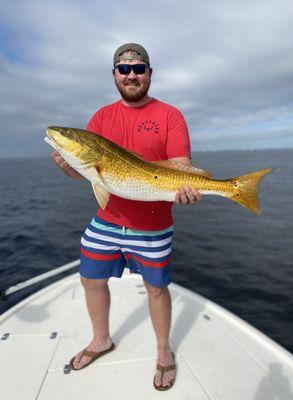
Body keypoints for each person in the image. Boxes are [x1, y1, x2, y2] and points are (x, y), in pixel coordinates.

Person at [51, 43, 202, 391]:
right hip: (107, 219)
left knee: (156, 289)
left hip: (153, 225)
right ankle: (101, 339)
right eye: (124, 69)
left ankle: (164, 352)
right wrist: (68, 167)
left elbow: (180, 168)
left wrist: (187, 188)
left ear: (149, 73)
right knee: (90, 278)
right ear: (115, 75)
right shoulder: (101, 118)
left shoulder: (170, 115)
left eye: (138, 68)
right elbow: (94, 175)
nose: (131, 74)